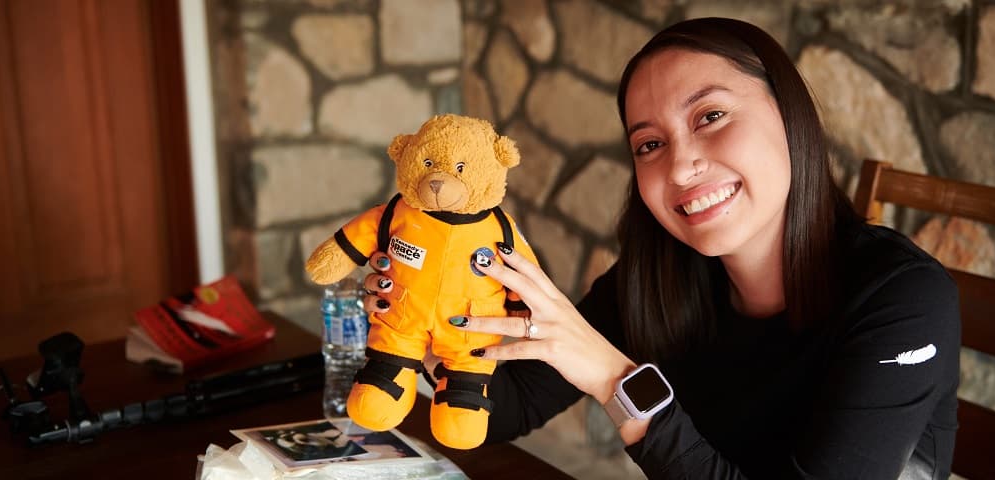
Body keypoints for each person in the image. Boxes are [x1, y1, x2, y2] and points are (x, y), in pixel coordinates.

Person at [360, 17, 959, 479]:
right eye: (649, 145)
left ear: (790, 114)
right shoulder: (660, 276)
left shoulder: (903, 301)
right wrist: (425, 331)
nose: (682, 166)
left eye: (712, 115)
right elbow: (503, 411)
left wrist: (616, 377)